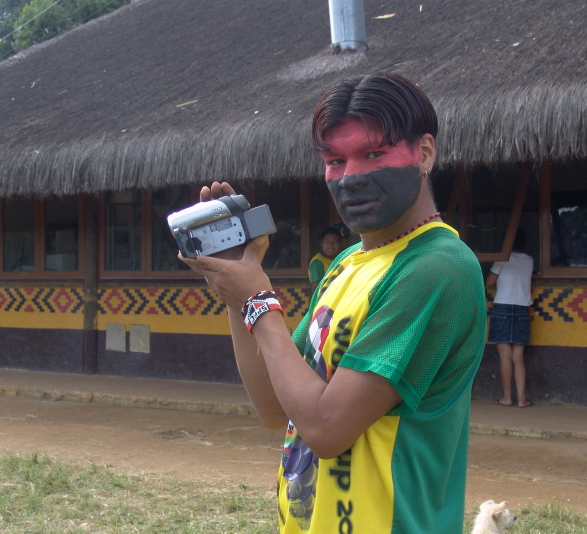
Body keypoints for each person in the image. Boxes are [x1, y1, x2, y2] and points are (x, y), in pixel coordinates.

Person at [180, 73, 486, 533]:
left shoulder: (437, 267)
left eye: (374, 154)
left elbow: (324, 429)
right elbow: (274, 407)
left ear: (424, 153)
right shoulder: (348, 263)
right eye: (335, 160)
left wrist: (259, 300)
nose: (352, 177)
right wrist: (235, 290)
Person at [485, 228, 534, 408]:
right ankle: (522, 399)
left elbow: (489, 282)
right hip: (522, 309)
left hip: (502, 307)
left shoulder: (501, 260)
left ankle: (507, 397)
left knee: (505, 357)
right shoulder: (529, 260)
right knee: (518, 357)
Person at [307, 226, 342, 292]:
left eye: (334, 242)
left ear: (340, 244)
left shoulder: (343, 258)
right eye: (327, 242)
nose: (330, 246)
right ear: (321, 243)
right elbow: (316, 289)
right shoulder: (317, 262)